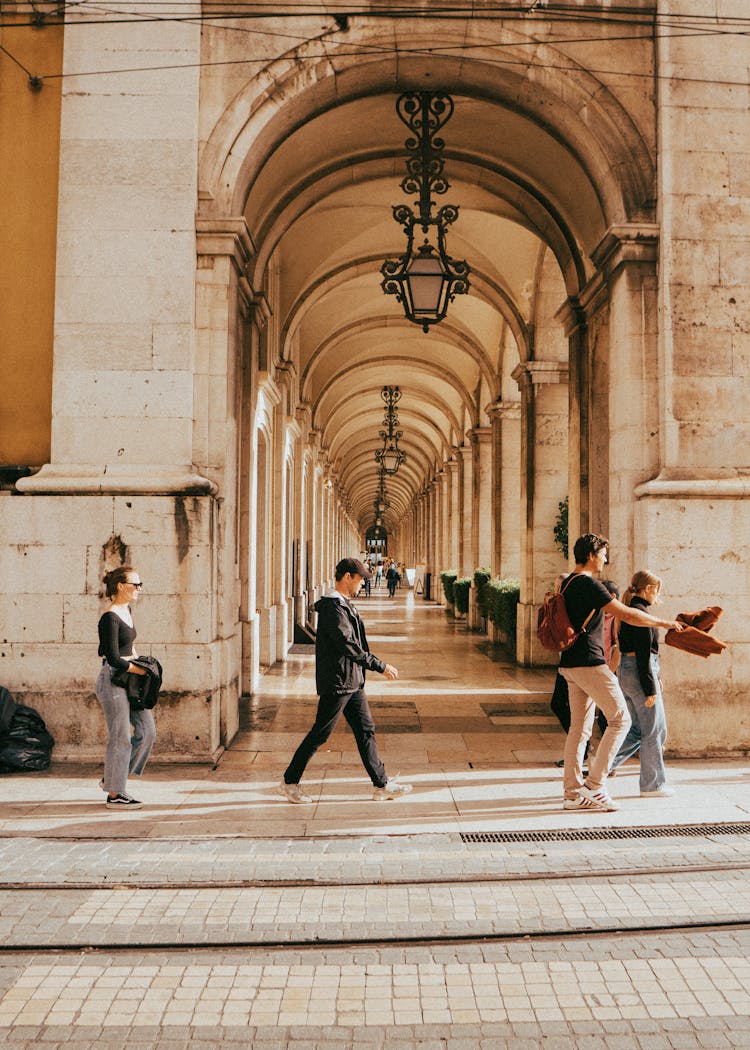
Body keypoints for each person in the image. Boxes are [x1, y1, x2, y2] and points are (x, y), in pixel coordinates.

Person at [559, 534, 684, 813]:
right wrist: (665, 622)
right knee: (621, 719)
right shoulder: (589, 584)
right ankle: (595, 786)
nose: (606, 558)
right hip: (589, 663)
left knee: (578, 729)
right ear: (592, 554)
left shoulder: (567, 582)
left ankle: (572, 792)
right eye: (603, 553)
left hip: (569, 663)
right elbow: (627, 614)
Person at [279, 557, 413, 803]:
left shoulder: (344, 605)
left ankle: (381, 784)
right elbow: (348, 645)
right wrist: (379, 666)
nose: (362, 584)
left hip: (352, 681)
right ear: (348, 576)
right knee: (320, 734)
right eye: (360, 579)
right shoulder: (333, 608)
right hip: (339, 682)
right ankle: (290, 782)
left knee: (365, 731)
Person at [609, 571, 674, 797]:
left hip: (628, 672)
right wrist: (650, 688)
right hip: (639, 673)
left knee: (638, 729)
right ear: (647, 589)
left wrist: (655, 679)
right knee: (653, 731)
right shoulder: (641, 614)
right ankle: (652, 785)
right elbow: (645, 654)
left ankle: (601, 767)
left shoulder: (631, 610)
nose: (657, 595)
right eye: (657, 590)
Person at [96, 566, 154, 809]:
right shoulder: (109, 617)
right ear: (120, 586)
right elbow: (112, 657)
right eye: (135, 584)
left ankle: (113, 778)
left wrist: (140, 665)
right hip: (112, 680)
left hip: (128, 681)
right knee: (121, 737)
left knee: (147, 731)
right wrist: (140, 670)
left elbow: (128, 648)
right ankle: (115, 793)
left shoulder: (127, 610)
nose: (139, 589)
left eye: (140, 584)